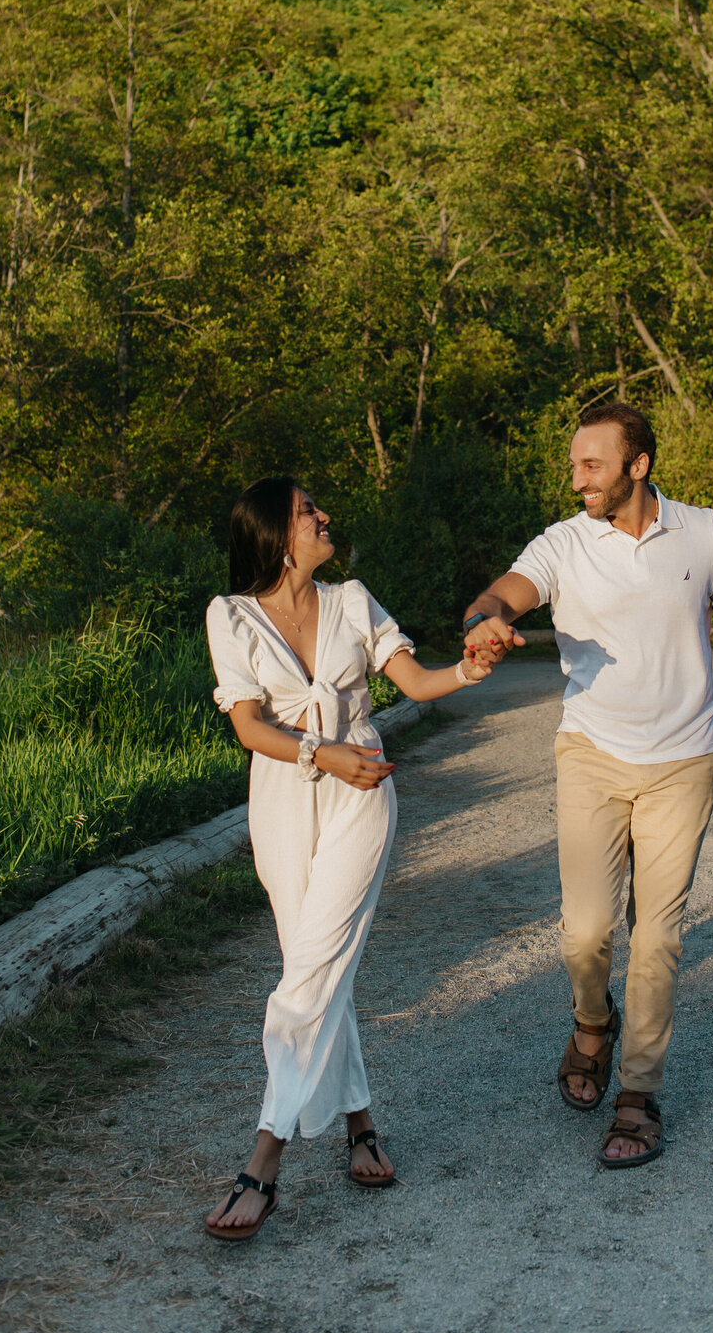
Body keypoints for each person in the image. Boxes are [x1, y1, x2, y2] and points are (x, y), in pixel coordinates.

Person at [461, 403, 713, 1171]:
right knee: (586, 931)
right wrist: (483, 621)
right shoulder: (564, 541)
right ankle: (593, 1023)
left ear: (638, 465)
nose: (577, 476)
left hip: (685, 761)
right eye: (575, 464)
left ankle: (638, 1095)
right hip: (591, 755)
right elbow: (502, 595)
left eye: (592, 463)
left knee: (657, 937)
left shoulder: (702, 533)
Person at [203, 474, 493, 1240]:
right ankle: (360, 1122)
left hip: (361, 788)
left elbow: (419, 681)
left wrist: (468, 667)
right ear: (273, 532)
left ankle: (263, 1162)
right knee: (315, 967)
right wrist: (318, 752)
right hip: (283, 797)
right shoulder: (230, 616)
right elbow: (250, 729)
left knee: (315, 967)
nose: (323, 516)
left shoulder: (354, 599)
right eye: (307, 511)